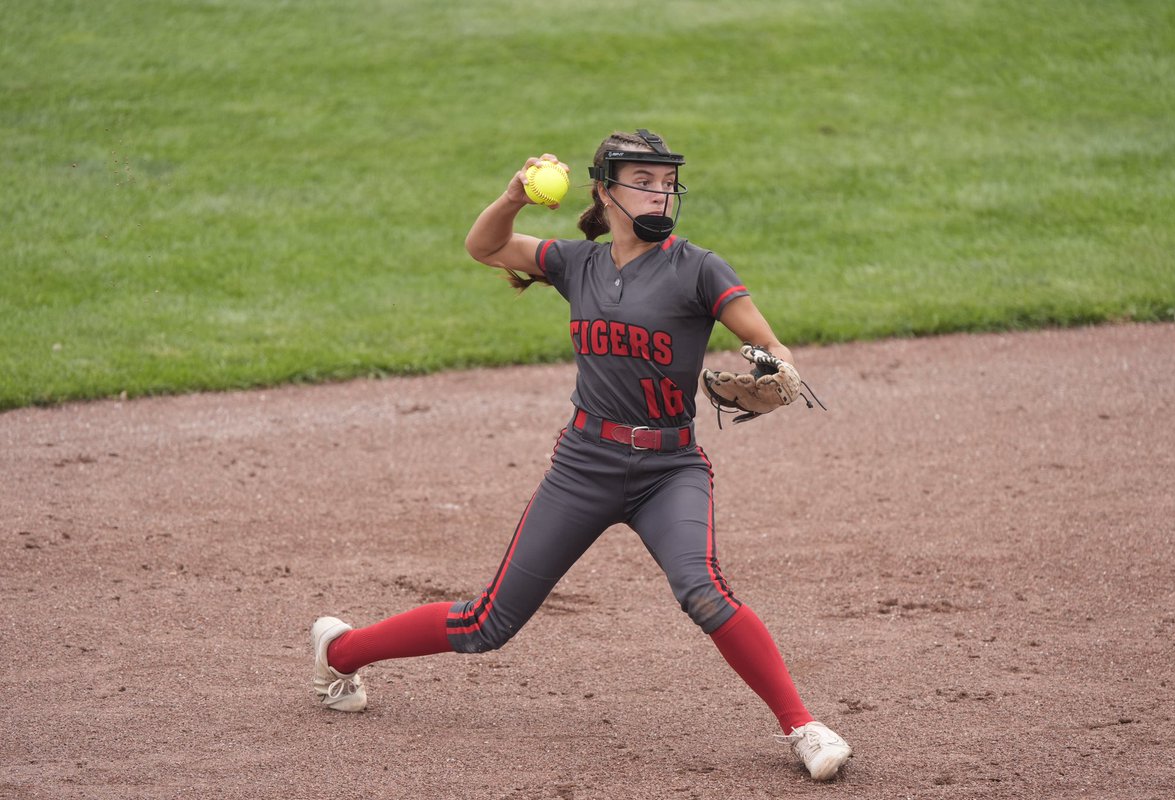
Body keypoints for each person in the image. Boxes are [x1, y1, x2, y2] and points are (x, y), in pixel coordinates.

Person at [310, 129, 852, 781]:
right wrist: (514, 195)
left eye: (667, 182)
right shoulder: (577, 265)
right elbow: (484, 246)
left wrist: (774, 370)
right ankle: (341, 652)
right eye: (643, 182)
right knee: (488, 624)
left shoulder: (699, 269)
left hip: (669, 471)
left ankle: (803, 727)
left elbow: (769, 343)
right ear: (604, 191)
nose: (660, 194)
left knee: (703, 591)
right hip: (583, 467)